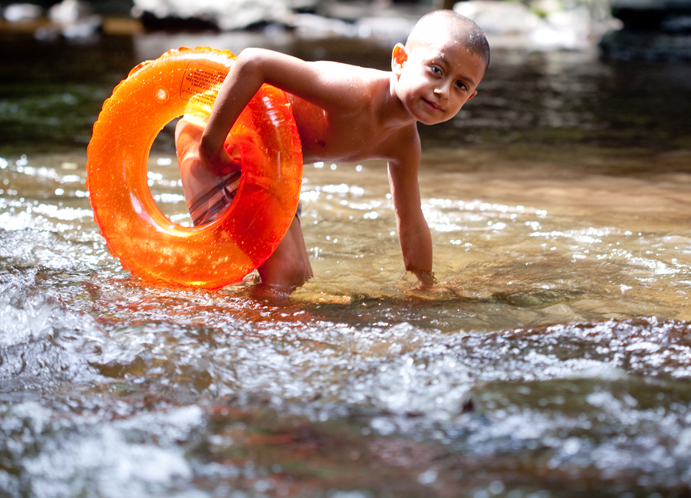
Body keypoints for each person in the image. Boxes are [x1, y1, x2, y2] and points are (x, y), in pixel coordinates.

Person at [176, 9, 490, 296]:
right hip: (221, 139)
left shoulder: (404, 144)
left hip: (273, 165)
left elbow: (411, 222)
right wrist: (209, 147)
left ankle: (235, 317)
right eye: (436, 69)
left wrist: (424, 284)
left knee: (299, 277)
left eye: (460, 86)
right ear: (401, 60)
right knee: (285, 270)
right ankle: (251, 338)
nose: (443, 91)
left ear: (471, 97)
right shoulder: (352, 93)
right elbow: (253, 61)